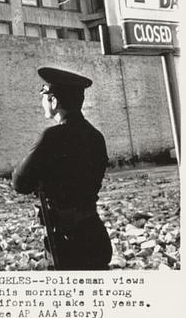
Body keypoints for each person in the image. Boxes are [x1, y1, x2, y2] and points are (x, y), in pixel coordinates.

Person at [12, 66, 112, 270]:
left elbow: (19, 183)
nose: (42, 103)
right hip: (94, 232)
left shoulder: (51, 137)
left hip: (67, 241)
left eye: (44, 96)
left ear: (54, 101)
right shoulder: (96, 137)